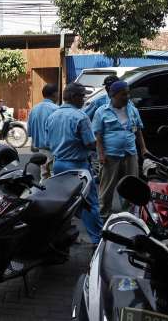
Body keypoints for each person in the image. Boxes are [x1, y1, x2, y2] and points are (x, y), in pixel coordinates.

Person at [45, 83, 103, 244]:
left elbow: (49, 142)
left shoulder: (53, 116)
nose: (84, 99)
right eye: (82, 96)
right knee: (90, 204)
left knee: (65, 203)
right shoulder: (80, 117)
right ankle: (98, 240)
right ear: (74, 97)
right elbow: (90, 143)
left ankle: (64, 234)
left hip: (59, 165)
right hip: (78, 167)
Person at [92, 81, 149, 217]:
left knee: (131, 185)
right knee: (107, 187)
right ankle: (104, 213)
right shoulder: (102, 112)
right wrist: (101, 154)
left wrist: (143, 149)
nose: (127, 96)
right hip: (110, 155)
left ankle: (129, 214)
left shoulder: (132, 109)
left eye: (128, 93)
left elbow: (138, 131)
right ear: (114, 95)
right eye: (124, 94)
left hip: (130, 153)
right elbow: (98, 136)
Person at [27, 84, 59, 180]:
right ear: (55, 94)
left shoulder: (34, 109)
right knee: (55, 178)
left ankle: (43, 194)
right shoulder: (56, 109)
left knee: (44, 177)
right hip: (54, 150)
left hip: (40, 150)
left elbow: (30, 131)